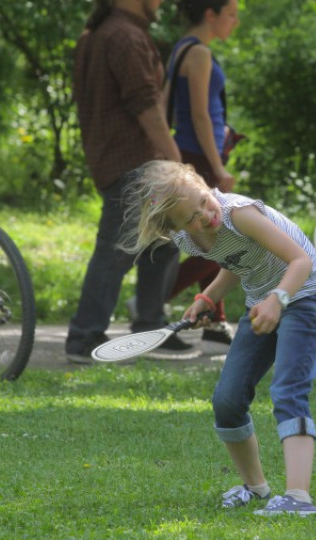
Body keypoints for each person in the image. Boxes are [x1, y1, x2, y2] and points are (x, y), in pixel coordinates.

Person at [120, 160, 316, 516]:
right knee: (227, 399)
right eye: (191, 217)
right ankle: (256, 488)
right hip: (263, 303)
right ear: (171, 227)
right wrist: (208, 297)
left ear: (205, 185)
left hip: (306, 295)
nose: (205, 215)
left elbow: (300, 261)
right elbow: (237, 261)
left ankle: (298, 497)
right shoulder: (187, 237)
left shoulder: (239, 214)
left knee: (288, 390)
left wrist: (277, 301)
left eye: (204, 201)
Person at [65, 0, 193, 363]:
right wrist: (176, 161)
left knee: (165, 243)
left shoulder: (97, 35)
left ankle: (150, 327)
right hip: (133, 163)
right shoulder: (124, 36)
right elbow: (147, 108)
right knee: (117, 252)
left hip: (117, 160)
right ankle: (84, 337)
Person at [161, 0, 240, 353]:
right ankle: (158, 297)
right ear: (210, 14)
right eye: (231, 14)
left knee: (211, 237)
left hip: (191, 153)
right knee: (220, 236)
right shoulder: (199, 53)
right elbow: (199, 114)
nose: (235, 22)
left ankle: (213, 324)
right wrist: (217, 167)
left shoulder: (182, 48)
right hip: (198, 157)